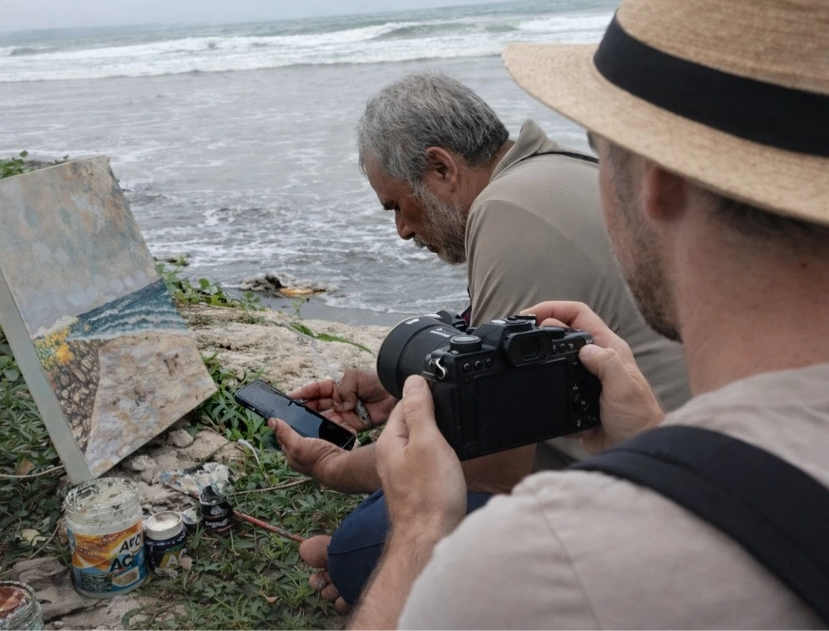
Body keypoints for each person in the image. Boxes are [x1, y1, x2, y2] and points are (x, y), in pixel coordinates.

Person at [348, 0, 829, 627]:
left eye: (600, 145)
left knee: (361, 547)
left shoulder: (541, 565)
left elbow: (494, 466)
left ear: (657, 180)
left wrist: (415, 533)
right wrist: (655, 442)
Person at [268, 73, 689, 610]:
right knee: (385, 518)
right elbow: (508, 358)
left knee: (362, 546)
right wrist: (407, 386)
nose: (401, 230)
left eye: (397, 205)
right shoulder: (553, 170)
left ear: (442, 168)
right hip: (667, 451)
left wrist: (332, 466)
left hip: (640, 492)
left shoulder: (507, 212)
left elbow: (491, 464)